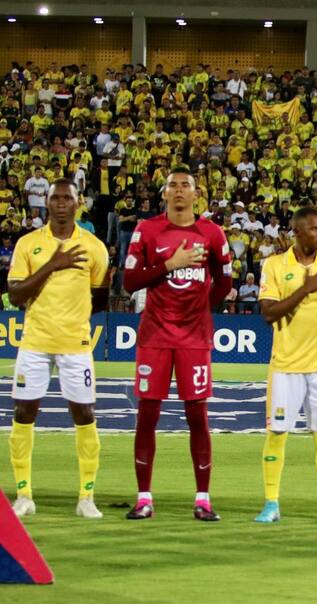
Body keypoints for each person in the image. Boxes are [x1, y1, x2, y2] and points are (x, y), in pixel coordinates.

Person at [121, 165, 233, 521]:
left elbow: (225, 282)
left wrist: (201, 307)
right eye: (173, 185)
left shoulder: (212, 233)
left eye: (186, 185)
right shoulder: (147, 229)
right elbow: (129, 282)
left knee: (197, 415)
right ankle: (144, 497)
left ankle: (202, 498)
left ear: (196, 194)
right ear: (164, 193)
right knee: (147, 415)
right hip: (154, 336)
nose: (180, 190)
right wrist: (171, 264)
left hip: (194, 338)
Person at [7, 180, 109, 519]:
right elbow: (16, 295)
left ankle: (86, 497)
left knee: (84, 415)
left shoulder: (94, 247)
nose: (62, 203)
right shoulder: (28, 244)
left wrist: (72, 319)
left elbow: (100, 297)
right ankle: (24, 495)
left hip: (75, 343)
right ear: (46, 203)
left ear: (78, 203)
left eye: (68, 197)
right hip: (34, 343)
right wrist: (53, 264)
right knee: (24, 414)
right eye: (56, 198)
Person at [254, 207, 317, 526]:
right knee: (277, 434)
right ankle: (271, 503)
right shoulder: (274, 265)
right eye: (315, 229)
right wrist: (305, 290)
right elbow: (269, 313)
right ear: (297, 232)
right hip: (285, 365)